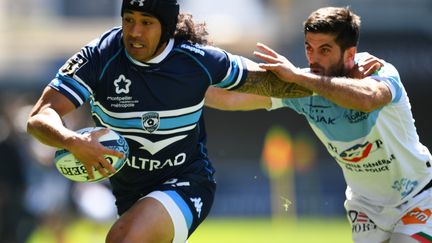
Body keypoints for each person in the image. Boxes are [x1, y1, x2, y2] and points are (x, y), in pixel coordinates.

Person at [26, 0, 311, 242]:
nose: (134, 32)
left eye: (146, 22)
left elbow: (271, 84)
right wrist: (72, 141)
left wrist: (332, 82)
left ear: (166, 27)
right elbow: (40, 115)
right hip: (129, 192)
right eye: (129, 19)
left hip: (185, 181)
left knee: (123, 237)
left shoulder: (198, 60)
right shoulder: (100, 56)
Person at [205, 6, 432, 243]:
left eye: (325, 50)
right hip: (365, 208)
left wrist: (298, 76)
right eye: (309, 48)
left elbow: (368, 99)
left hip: (416, 197)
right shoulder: (301, 86)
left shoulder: (375, 70)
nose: (314, 59)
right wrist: (177, 85)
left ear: (349, 53)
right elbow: (230, 98)